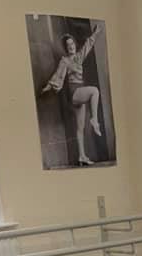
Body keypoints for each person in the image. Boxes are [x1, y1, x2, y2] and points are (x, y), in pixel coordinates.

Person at [42, 25, 104, 166]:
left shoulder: (79, 57)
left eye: (72, 44)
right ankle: (94, 120)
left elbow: (88, 45)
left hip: (80, 92)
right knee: (94, 91)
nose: (71, 47)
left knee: (80, 128)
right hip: (74, 92)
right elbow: (57, 75)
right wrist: (48, 87)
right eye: (68, 45)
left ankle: (82, 156)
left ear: (75, 45)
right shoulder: (65, 61)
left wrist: (96, 33)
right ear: (66, 48)